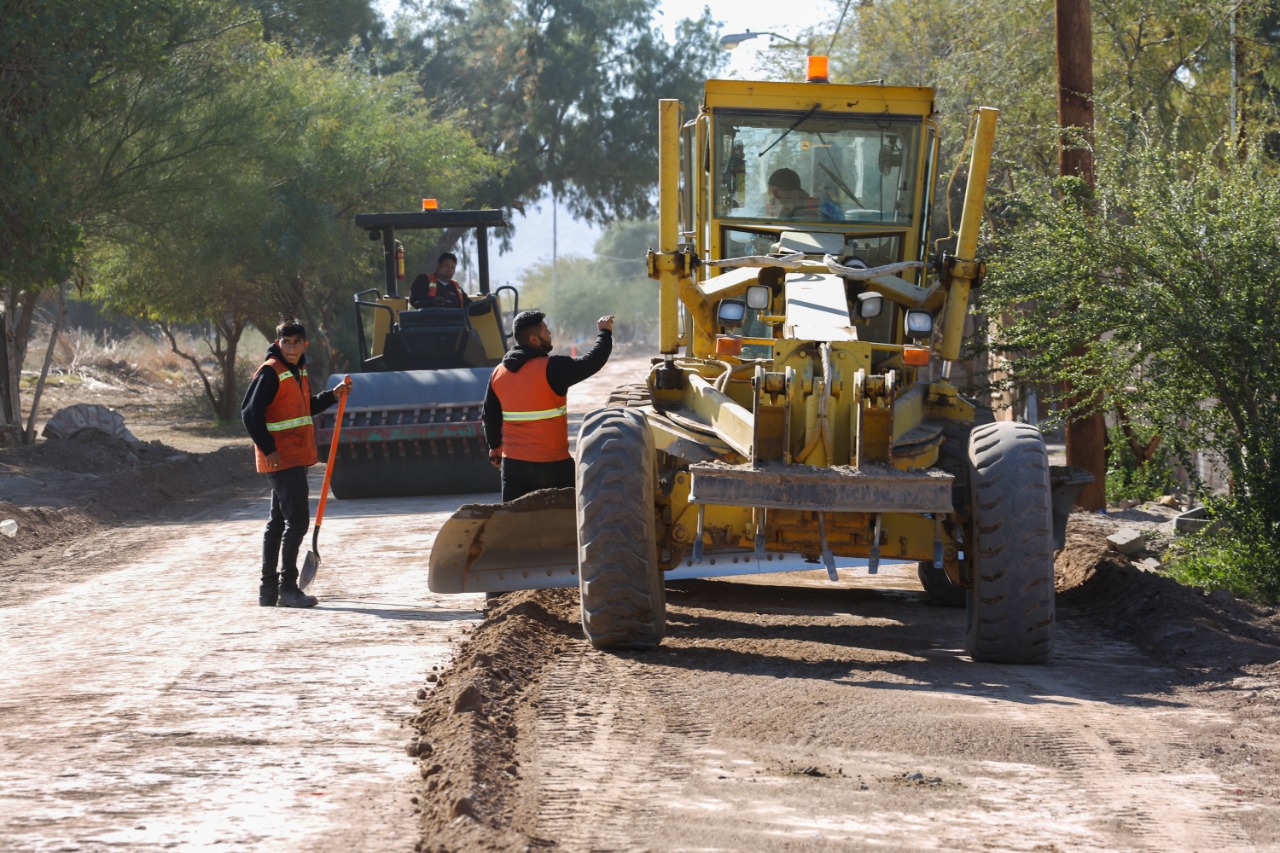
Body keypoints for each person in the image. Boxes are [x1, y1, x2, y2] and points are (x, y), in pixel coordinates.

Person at [241, 317, 351, 609]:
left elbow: (304, 409)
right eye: (286, 342)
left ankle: (268, 591)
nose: (291, 347)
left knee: (277, 522)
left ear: (305, 344)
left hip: (294, 456)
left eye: (296, 342)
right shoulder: (271, 372)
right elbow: (250, 414)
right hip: (282, 458)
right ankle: (288, 588)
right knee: (297, 522)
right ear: (278, 343)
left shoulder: (297, 371)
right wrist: (268, 449)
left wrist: (332, 395)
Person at [483, 310, 614, 502]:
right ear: (534, 340)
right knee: (567, 523)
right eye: (546, 330)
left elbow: (490, 416)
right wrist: (605, 333)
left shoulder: (498, 373)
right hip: (553, 465)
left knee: (515, 525)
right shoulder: (552, 367)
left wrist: (494, 447)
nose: (550, 332)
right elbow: (592, 362)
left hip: (514, 468)